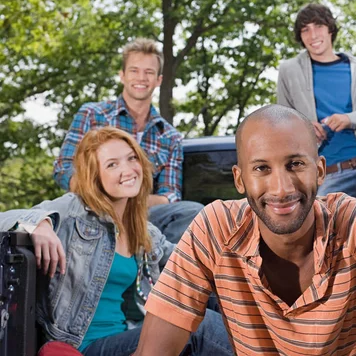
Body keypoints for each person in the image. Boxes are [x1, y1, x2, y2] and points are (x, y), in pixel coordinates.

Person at [133, 105, 356, 356]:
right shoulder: (214, 229)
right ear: (239, 179)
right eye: (261, 168)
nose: (282, 188)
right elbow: (154, 350)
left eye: (296, 165)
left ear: (319, 171)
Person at [0, 127, 232, 356]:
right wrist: (39, 224)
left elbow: (187, 264)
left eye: (132, 158)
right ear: (95, 176)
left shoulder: (144, 231)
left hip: (129, 335)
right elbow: (5, 218)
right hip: (81, 346)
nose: (128, 169)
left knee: (211, 305)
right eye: (112, 164)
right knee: (198, 327)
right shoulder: (75, 209)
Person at [53, 38, 201, 243]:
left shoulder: (170, 137)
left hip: (143, 218)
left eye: (149, 72)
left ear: (158, 80)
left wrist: (128, 201)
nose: (141, 77)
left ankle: (168, 271)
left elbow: (170, 195)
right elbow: (63, 168)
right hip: (92, 212)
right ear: (122, 75)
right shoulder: (93, 115)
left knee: (192, 212)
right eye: (134, 70)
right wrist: (102, 196)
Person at [276, 3, 356, 226]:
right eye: (305, 29)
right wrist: (302, 129)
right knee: (326, 251)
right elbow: (282, 127)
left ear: (331, 29)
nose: (313, 35)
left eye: (319, 26)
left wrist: (349, 119)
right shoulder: (289, 71)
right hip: (328, 175)